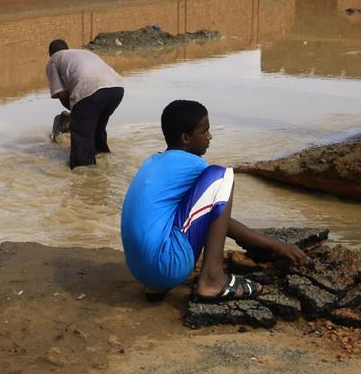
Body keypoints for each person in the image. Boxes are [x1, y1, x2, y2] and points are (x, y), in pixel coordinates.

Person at [120, 100, 306, 303]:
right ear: (186, 138)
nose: (210, 137)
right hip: (166, 266)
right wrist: (275, 245)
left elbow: (209, 215)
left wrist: (267, 244)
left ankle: (157, 287)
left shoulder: (154, 161)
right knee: (222, 175)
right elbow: (217, 214)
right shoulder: (195, 165)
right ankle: (212, 279)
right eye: (205, 131)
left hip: (140, 271)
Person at [46, 39, 124, 169]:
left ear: (50, 53)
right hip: (116, 89)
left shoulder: (54, 59)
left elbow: (61, 94)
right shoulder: (83, 53)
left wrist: (76, 114)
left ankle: (85, 179)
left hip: (90, 90)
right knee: (97, 129)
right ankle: (104, 158)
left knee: (82, 137)